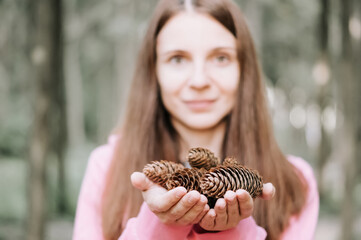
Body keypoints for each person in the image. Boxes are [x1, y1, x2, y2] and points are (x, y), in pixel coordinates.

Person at [73, 0, 319, 239]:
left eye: (220, 58)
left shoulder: (295, 184)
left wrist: (229, 232)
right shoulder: (105, 169)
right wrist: (160, 228)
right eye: (178, 59)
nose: (199, 81)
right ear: (154, 71)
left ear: (244, 69)